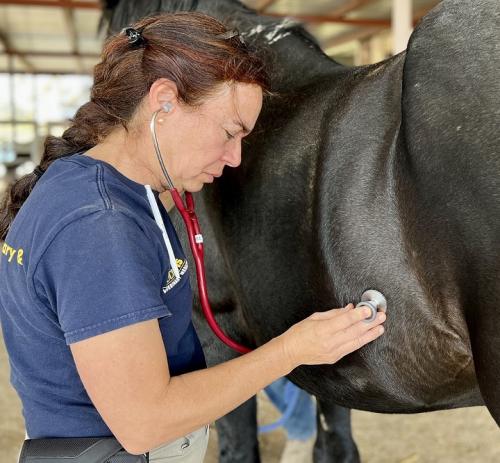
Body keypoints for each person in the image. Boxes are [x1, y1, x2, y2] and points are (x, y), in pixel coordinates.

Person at [0, 12, 386, 463]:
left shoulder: (97, 186)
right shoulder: (98, 226)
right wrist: (293, 349)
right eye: (229, 132)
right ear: (164, 101)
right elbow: (144, 421)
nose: (235, 157)